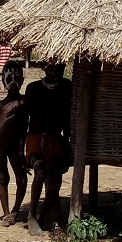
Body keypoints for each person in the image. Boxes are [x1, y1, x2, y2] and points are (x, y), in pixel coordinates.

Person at [21, 63, 74, 225]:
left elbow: (69, 118)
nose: (56, 71)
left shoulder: (67, 87)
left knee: (56, 175)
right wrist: (20, 148)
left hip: (57, 140)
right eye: (52, 67)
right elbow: (24, 120)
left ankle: (42, 215)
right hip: (35, 139)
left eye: (60, 67)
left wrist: (69, 142)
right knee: (41, 170)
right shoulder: (33, 89)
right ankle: (32, 214)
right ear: (45, 68)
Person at [0, 62, 30, 223]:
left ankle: (16, 210)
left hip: (15, 146)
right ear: (3, 80)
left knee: (21, 178)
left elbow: (26, 127)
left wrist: (23, 151)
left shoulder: (25, 103)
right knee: (3, 178)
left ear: (22, 80)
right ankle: (6, 212)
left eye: (16, 79)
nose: (13, 83)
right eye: (9, 78)